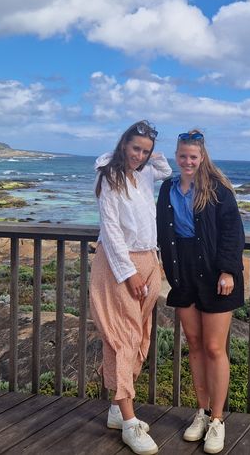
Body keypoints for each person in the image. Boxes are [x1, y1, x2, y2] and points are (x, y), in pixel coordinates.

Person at [156, 130, 245, 454]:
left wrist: (228, 270)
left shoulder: (217, 189)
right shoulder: (168, 187)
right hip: (183, 273)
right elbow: (163, 228)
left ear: (202, 157)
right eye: (183, 156)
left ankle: (218, 420)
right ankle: (202, 412)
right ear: (176, 156)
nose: (188, 161)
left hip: (215, 273)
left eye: (194, 156)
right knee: (193, 344)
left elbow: (233, 232)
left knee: (213, 347)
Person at [90, 120, 171, 455]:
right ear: (123, 143)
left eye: (145, 150)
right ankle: (129, 421)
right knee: (122, 337)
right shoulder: (108, 176)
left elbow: (165, 169)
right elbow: (109, 229)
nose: (139, 155)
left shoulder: (146, 173)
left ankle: (115, 407)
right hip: (118, 265)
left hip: (149, 260)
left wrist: (153, 154)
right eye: (135, 147)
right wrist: (128, 274)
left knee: (139, 335)